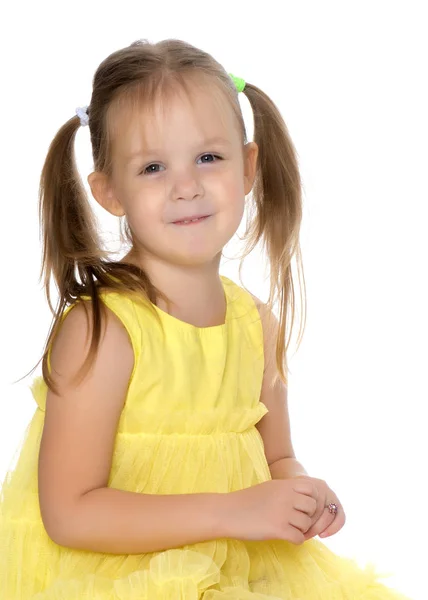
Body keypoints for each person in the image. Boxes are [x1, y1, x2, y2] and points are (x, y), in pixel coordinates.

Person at [0, 38, 411, 599]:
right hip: (118, 575)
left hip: (233, 561)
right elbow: (70, 514)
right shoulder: (104, 330)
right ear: (109, 192)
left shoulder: (254, 325)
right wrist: (234, 511)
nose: (186, 185)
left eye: (208, 157)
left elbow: (277, 457)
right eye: (152, 167)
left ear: (247, 167)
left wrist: (298, 493)